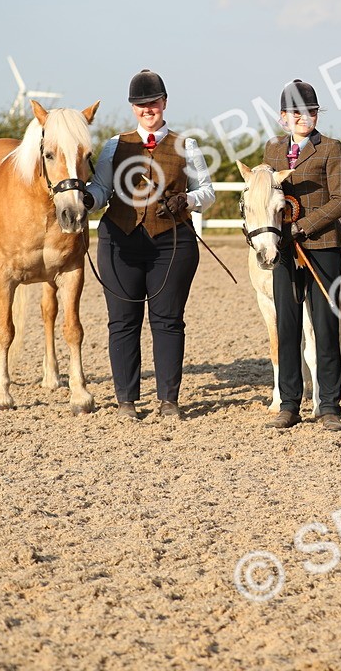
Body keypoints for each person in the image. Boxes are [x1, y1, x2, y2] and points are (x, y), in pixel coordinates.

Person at [87, 69, 215, 420]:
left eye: (153, 102)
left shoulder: (185, 145)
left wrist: (185, 202)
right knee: (122, 321)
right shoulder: (115, 145)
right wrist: (85, 201)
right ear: (133, 107)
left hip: (171, 243)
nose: (148, 109)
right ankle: (126, 400)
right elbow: (101, 189)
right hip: (120, 241)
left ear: (164, 103)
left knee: (168, 320)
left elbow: (207, 193)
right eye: (141, 104)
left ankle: (169, 400)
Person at [261, 79, 341, 431]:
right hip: (284, 251)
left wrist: (304, 226)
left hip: (322, 246)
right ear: (284, 116)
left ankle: (329, 405)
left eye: (311, 111)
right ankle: (289, 404)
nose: (305, 117)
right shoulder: (271, 150)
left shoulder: (330, 148)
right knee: (287, 327)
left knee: (326, 327)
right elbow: (264, 192)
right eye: (297, 112)